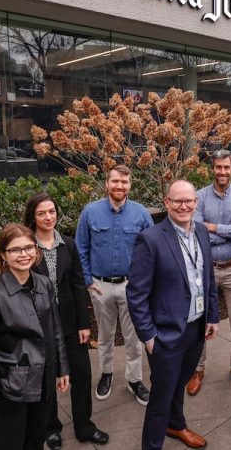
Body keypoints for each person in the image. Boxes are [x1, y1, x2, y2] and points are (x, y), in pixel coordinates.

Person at [127, 180, 220, 450]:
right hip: (165, 335)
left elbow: (208, 278)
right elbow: (136, 294)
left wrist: (212, 315)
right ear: (166, 202)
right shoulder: (151, 239)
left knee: (178, 384)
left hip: (196, 327)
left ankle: (176, 425)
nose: (183, 206)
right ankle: (152, 445)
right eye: (177, 201)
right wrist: (149, 337)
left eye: (188, 200)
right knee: (161, 396)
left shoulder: (202, 232)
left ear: (196, 203)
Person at [0, 223, 70, 450]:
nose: (24, 254)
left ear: (36, 250)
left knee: (35, 442)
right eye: (15, 249)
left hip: (43, 384)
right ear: (3, 255)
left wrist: (62, 368)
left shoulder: (44, 284)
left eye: (29, 247)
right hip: (9, 390)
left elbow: (55, 329)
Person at [24, 194, 109, 449]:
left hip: (71, 324)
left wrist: (85, 323)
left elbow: (77, 284)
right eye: (42, 213)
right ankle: (51, 428)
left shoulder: (68, 244)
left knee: (82, 375)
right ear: (33, 217)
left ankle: (84, 426)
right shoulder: (27, 247)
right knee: (47, 378)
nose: (48, 217)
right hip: (40, 326)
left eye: (52, 211)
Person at [75, 164, 153, 406]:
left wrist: (145, 282)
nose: (120, 186)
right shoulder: (90, 212)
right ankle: (106, 374)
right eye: (115, 181)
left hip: (132, 287)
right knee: (105, 335)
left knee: (134, 337)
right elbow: (81, 248)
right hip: (101, 286)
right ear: (107, 183)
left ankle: (134, 380)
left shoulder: (141, 213)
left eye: (124, 182)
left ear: (130, 184)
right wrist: (88, 281)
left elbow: (152, 250)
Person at [187, 149, 231, 395]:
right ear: (212, 169)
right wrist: (230, 230)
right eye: (218, 167)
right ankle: (197, 369)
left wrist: (213, 228)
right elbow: (196, 231)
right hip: (206, 269)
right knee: (199, 320)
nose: (222, 171)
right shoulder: (200, 196)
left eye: (226, 167)